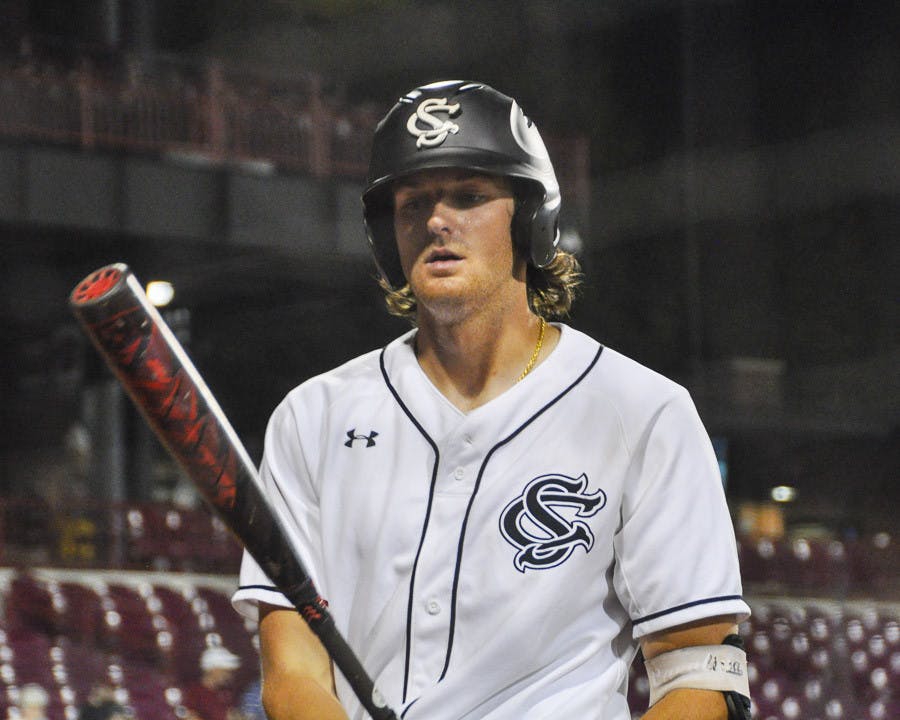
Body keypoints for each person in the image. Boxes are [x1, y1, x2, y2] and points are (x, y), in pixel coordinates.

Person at [232, 80, 751, 720]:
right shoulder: (313, 419)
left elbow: (700, 674)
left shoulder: (641, 411)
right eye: (412, 203)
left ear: (532, 218)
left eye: (470, 196)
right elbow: (292, 667)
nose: (436, 221)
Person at [181, 646, 243, 720]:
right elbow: (188, 717)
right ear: (213, 669)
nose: (228, 675)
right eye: (225, 670)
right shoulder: (193, 693)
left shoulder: (224, 693)